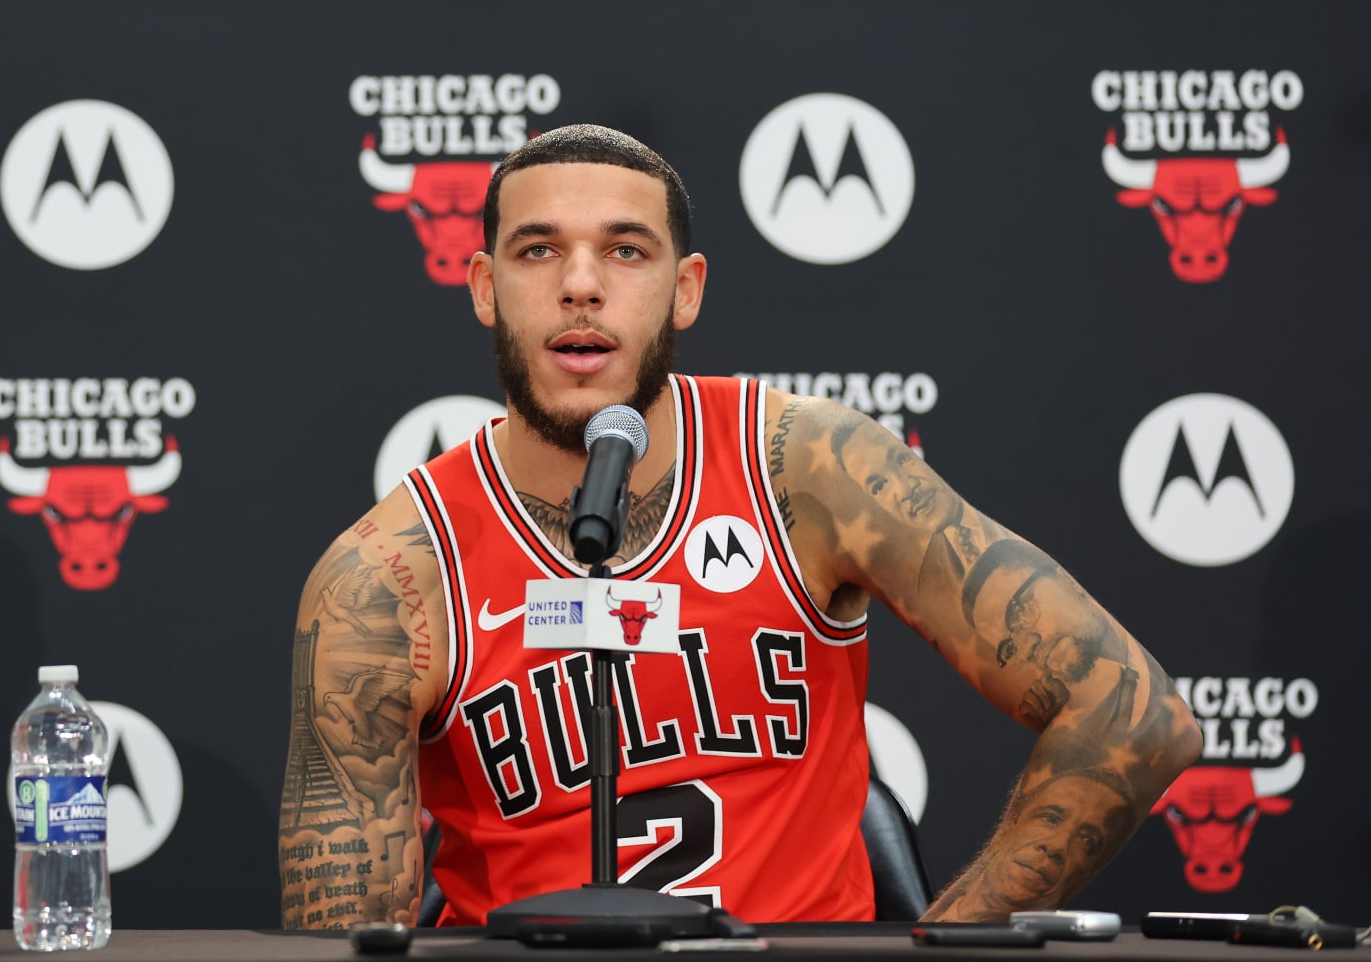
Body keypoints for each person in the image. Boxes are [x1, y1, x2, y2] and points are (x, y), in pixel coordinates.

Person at [277, 125, 1199, 928]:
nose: (582, 285)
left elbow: (1137, 716)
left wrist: (944, 949)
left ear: (686, 290)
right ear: (484, 287)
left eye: (626, 250)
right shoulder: (390, 579)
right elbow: (343, 935)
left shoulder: (810, 469)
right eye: (538, 251)